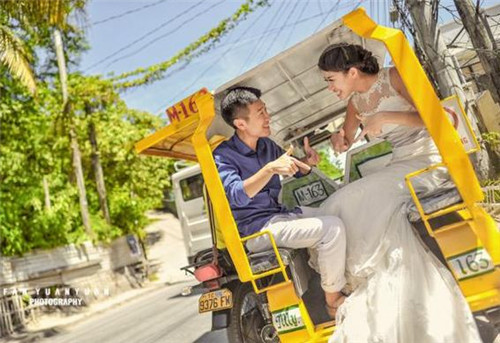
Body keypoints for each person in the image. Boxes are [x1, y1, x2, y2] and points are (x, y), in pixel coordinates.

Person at [317, 43, 481, 342]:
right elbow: (347, 139)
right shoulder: (355, 104)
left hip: (430, 159)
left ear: (351, 72)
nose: (329, 87)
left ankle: (345, 291)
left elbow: (439, 119)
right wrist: (338, 141)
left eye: (330, 79)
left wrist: (389, 118)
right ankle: (369, 282)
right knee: (339, 202)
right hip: (401, 163)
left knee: (345, 202)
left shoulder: (395, 78)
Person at [213, 86, 346, 317]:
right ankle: (333, 302)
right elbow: (236, 195)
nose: (268, 117)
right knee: (331, 229)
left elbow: (296, 169)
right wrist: (269, 169)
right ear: (240, 124)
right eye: (260, 113)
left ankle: (339, 279)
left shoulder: (267, 145)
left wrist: (308, 162)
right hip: (258, 230)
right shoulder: (223, 155)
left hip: (282, 214)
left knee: (340, 211)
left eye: (265, 110)